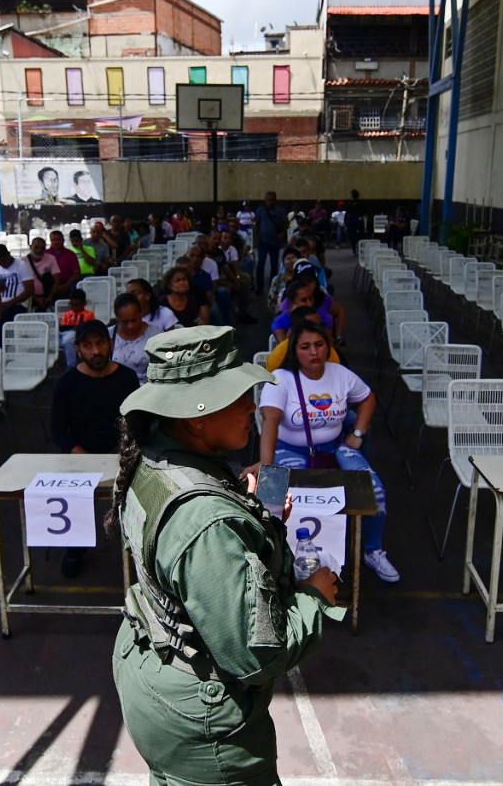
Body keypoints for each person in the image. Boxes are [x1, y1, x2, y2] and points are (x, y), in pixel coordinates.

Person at [111, 325, 342, 785]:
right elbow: (255, 656)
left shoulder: (157, 457)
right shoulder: (207, 522)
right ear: (197, 416)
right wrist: (316, 597)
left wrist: (246, 509)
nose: (252, 408)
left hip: (154, 671)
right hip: (205, 723)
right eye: (239, 397)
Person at [255, 318, 399, 583]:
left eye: (319, 345)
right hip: (290, 448)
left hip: (333, 447)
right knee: (290, 498)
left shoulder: (340, 374)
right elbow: (270, 422)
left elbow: (367, 398)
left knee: (374, 488)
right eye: (305, 346)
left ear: (328, 346)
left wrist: (357, 433)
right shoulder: (281, 380)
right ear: (293, 351)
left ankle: (372, 550)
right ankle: (284, 557)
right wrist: (267, 465)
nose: (314, 352)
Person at [49, 319, 139, 577]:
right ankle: (75, 548)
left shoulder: (127, 378)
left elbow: (138, 423)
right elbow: (57, 431)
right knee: (73, 494)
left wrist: (128, 453)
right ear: (78, 350)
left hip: (122, 455)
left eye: (100, 343)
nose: (95, 351)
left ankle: (141, 549)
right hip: (82, 456)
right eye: (87, 345)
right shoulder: (66, 383)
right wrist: (79, 453)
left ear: (110, 344)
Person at [108, 292, 162, 384]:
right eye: (125, 322)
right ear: (117, 318)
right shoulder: (108, 335)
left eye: (134, 320)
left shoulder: (156, 334)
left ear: (141, 313)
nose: (130, 326)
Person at [0, 243, 37, 325]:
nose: (2, 264)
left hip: (19, 304)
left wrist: (10, 303)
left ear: (8, 254)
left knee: (3, 317)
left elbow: (30, 290)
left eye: (4, 260)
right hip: (1, 304)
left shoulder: (21, 265)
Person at [254, 190, 287, 295]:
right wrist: (256, 238)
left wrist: (282, 233)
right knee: (260, 264)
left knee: (274, 265)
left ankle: (273, 287)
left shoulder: (280, 210)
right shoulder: (261, 210)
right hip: (263, 241)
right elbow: (257, 223)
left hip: (275, 242)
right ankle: (260, 286)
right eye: (267, 200)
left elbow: (286, 223)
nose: (269, 203)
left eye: (271, 201)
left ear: (275, 201)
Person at [59, 287, 98, 366]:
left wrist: (78, 328)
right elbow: (63, 326)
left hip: (78, 334)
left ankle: (71, 365)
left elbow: (91, 327)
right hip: (64, 333)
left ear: (84, 303)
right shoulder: (67, 314)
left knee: (68, 340)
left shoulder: (88, 314)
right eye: (73, 305)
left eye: (78, 305)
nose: (75, 307)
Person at [24, 237, 61, 310]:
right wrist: (36, 299)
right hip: (29, 298)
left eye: (42, 248)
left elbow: (56, 280)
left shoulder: (51, 259)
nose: (39, 250)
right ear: (31, 247)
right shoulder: (23, 262)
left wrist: (50, 297)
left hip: (48, 298)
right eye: (36, 247)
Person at [47, 230, 82, 299]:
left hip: (68, 285)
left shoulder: (71, 254)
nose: (56, 242)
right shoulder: (45, 254)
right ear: (50, 241)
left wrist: (65, 287)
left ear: (63, 240)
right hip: (49, 286)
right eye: (54, 240)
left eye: (59, 240)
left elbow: (77, 273)